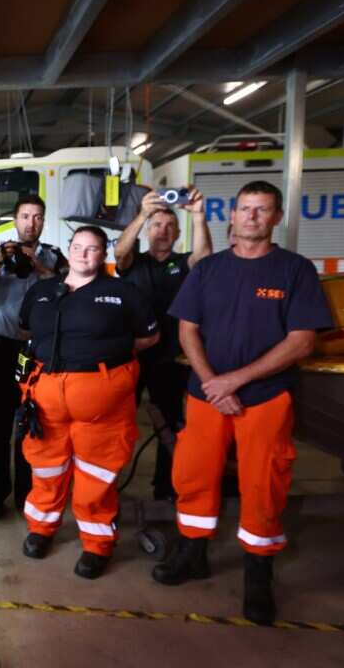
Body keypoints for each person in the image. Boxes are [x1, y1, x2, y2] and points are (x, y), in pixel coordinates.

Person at [150, 181, 332, 626]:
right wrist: (214, 382)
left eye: (262, 209)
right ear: (231, 216)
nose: (252, 217)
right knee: (194, 476)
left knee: (263, 484)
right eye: (245, 209)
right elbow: (187, 330)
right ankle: (193, 553)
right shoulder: (208, 269)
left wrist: (237, 380)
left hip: (266, 397)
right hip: (206, 396)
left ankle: (258, 573)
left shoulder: (295, 270)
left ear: (277, 217)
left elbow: (302, 340)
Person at [18, 227, 159, 579]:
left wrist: (106, 357)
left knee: (95, 476)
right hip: (46, 399)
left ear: (103, 254)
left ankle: (97, 545)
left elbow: (150, 336)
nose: (83, 254)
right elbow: (25, 332)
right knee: (45, 468)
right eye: (78, 247)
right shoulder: (41, 291)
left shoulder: (123, 293)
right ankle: (41, 529)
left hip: (103, 406)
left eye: (92, 249)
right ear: (68, 250)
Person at [0, 193, 67, 518]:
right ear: (15, 220)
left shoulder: (54, 258)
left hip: (37, 353)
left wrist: (38, 266)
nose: (32, 223)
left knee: (31, 426)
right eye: (25, 216)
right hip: (1, 349)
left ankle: (28, 494)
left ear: (44, 220)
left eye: (38, 216)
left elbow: (66, 292)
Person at [114, 188, 212, 499]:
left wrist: (198, 215)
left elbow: (205, 259)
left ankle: (165, 486)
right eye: (156, 225)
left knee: (169, 423)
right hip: (131, 355)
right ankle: (108, 486)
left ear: (178, 233)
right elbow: (118, 253)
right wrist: (142, 213)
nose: (163, 231)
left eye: (170, 226)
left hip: (171, 358)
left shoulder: (184, 263)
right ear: (147, 230)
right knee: (115, 422)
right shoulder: (134, 262)